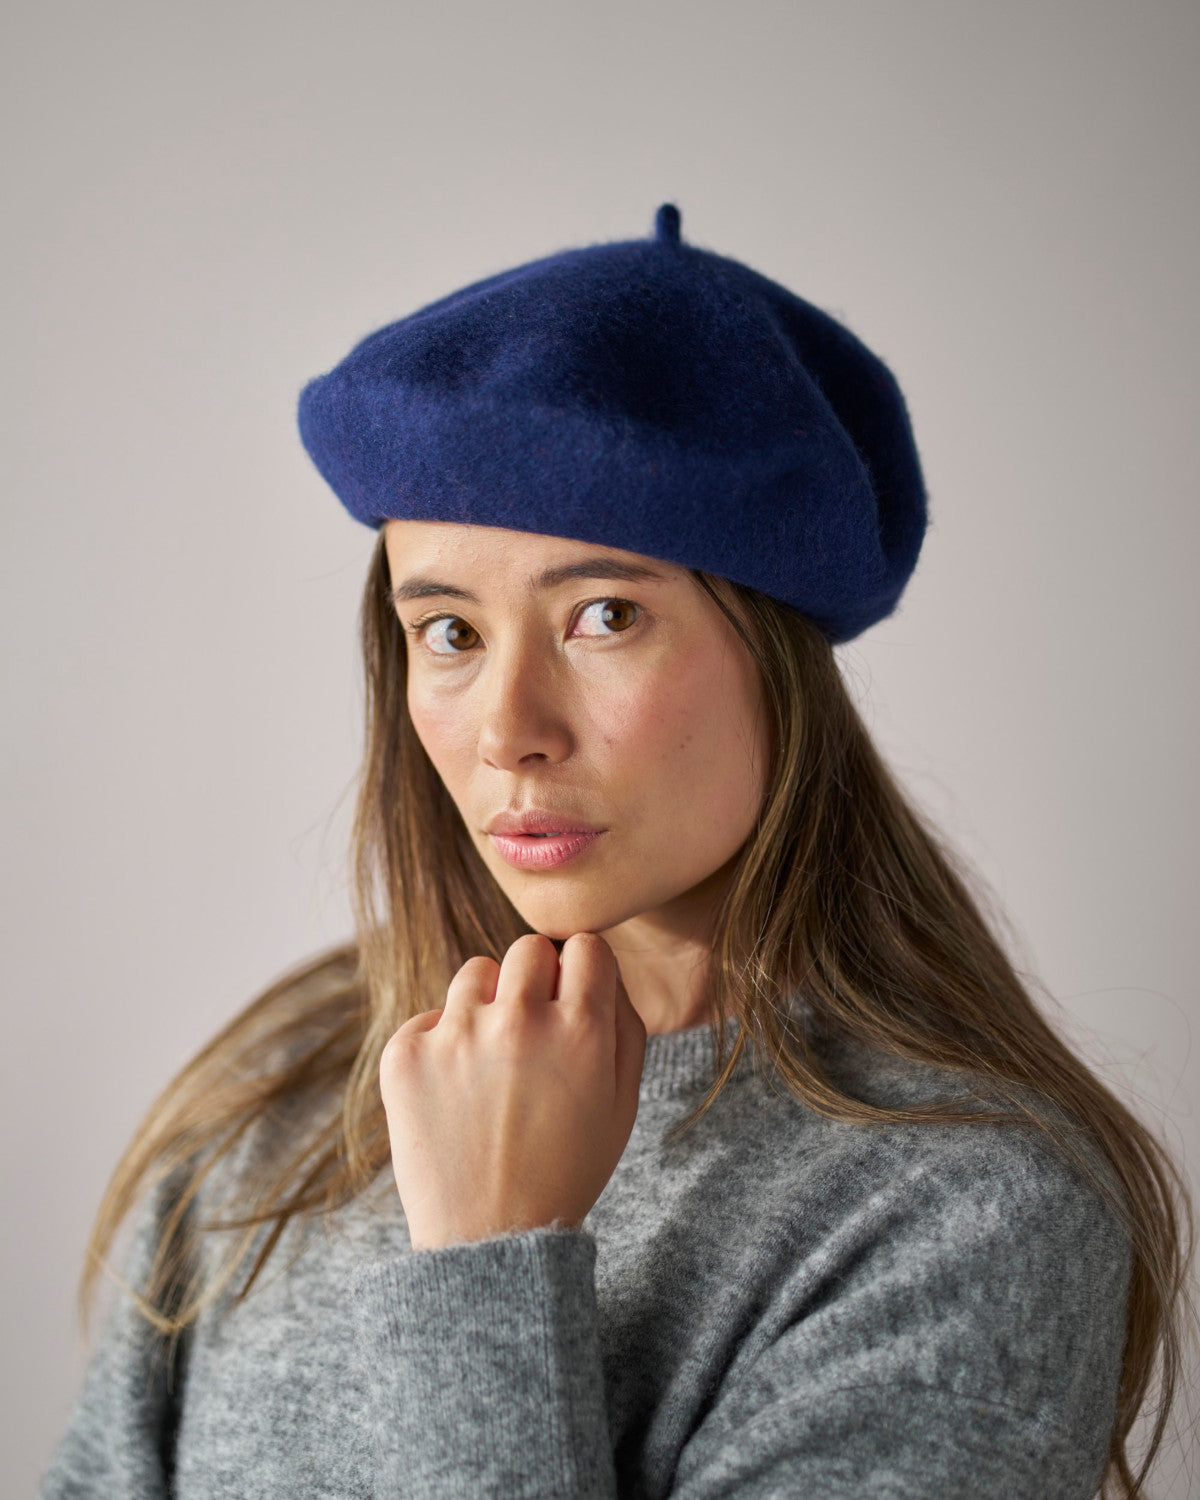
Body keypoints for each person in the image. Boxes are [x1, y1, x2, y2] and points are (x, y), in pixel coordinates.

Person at [40, 204, 1194, 1499]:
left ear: (775, 653)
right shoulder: (286, 1100)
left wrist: (490, 1261)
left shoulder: (967, 1211)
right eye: (451, 632)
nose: (510, 732)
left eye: (603, 616)